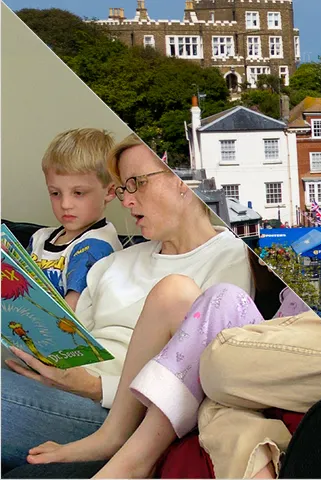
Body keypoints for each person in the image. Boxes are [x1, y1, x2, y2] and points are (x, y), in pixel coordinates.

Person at [6, 139, 285, 476]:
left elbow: (208, 367)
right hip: (58, 387)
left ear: (183, 181)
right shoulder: (112, 263)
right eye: (123, 188)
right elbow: (69, 340)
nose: (126, 199)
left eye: (136, 183)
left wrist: (93, 387)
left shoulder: (231, 257)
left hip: (114, 408)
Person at [29, 128, 122, 307]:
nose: (65, 204)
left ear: (110, 191)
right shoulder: (40, 238)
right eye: (55, 193)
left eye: (78, 193)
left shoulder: (97, 245)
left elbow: (70, 313)